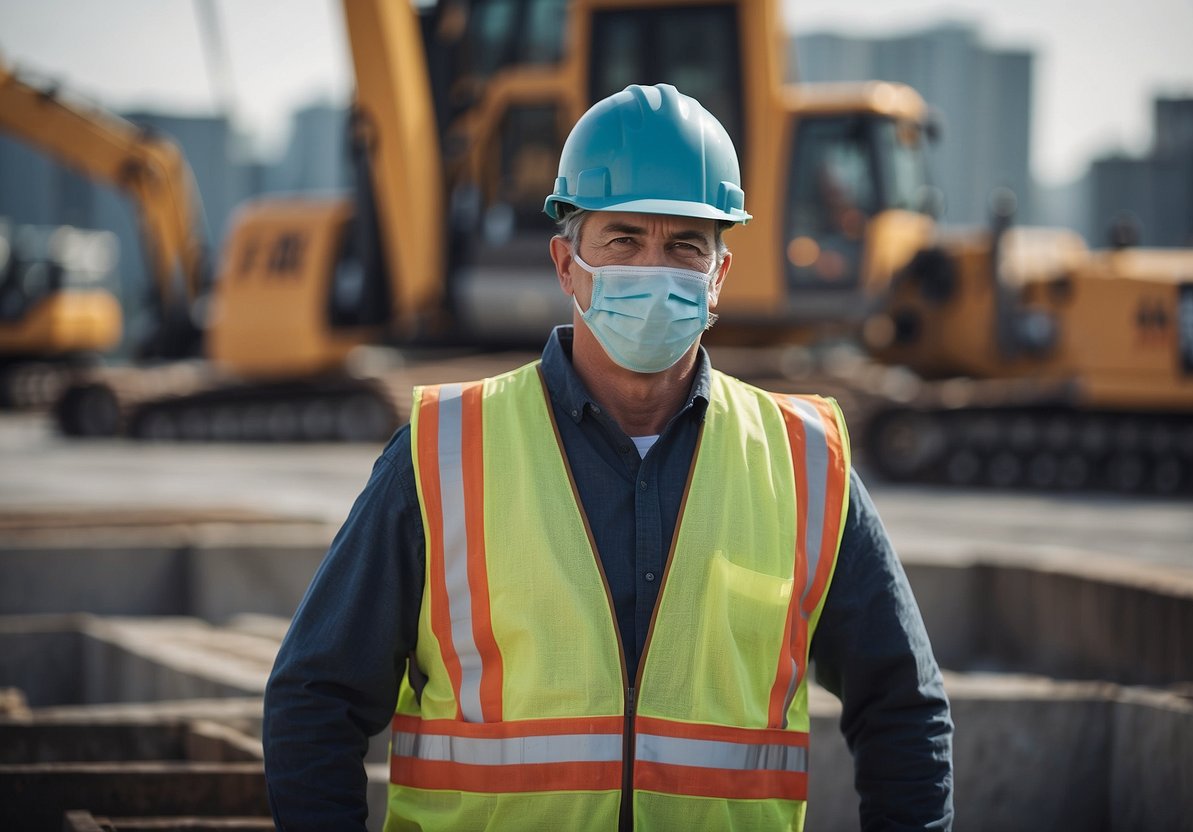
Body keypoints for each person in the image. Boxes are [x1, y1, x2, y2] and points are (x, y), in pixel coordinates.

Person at [263, 83, 953, 831]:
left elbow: (903, 710)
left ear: (718, 274)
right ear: (566, 264)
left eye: (685, 243)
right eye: (622, 240)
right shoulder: (442, 451)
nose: (653, 269)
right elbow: (314, 699)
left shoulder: (803, 464)